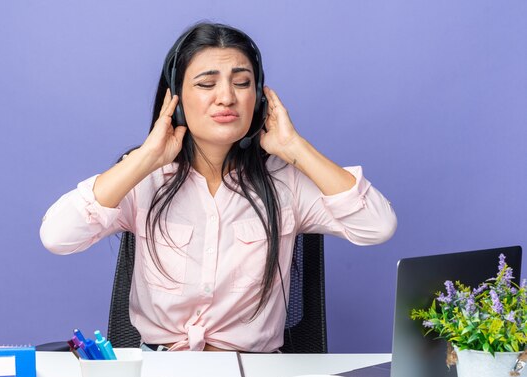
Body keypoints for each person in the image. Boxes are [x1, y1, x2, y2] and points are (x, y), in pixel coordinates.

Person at [40, 22, 397, 353]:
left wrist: (296, 149)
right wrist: (146, 157)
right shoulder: (144, 179)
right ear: (175, 99)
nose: (226, 97)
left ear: (258, 98)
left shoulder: (285, 181)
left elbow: (377, 226)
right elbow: (57, 236)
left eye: (242, 83)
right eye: (207, 84)